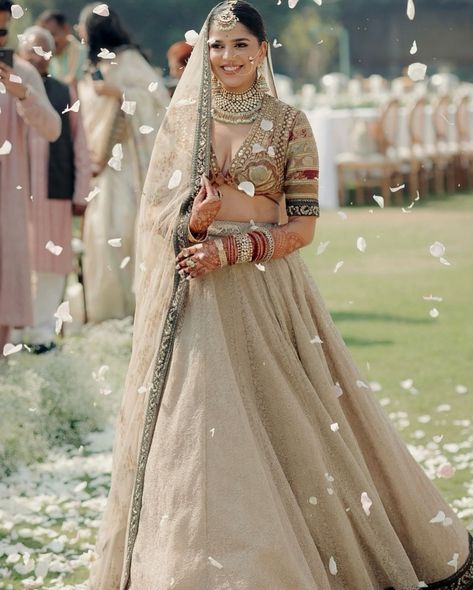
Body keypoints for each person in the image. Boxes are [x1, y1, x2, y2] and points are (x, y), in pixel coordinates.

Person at [88, 2, 473, 589]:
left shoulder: (290, 123)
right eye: (217, 46)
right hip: (195, 294)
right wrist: (195, 226)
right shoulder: (184, 120)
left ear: (263, 49)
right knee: (195, 428)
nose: (227, 57)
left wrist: (232, 249)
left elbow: (302, 228)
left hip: (267, 292)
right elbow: (157, 215)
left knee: (291, 421)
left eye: (240, 44)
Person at [77, 3, 169, 323]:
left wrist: (118, 92)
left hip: (128, 166)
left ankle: (133, 313)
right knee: (101, 238)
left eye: (82, 26)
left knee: (122, 231)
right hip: (98, 170)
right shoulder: (91, 66)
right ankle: (106, 315)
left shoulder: (129, 60)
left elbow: (158, 102)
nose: (79, 33)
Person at [12, 26, 91, 353]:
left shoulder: (63, 91)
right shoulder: (9, 87)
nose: (38, 56)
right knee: (17, 260)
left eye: (44, 50)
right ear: (20, 53)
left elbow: (80, 143)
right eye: (31, 50)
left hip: (54, 192)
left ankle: (43, 333)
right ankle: (14, 331)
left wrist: (81, 192)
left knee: (52, 262)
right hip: (17, 195)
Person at [0, 0, 61, 351]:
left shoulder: (22, 72)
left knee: (6, 291)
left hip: (7, 199)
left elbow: (53, 128)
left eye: (2, 29)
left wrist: (22, 94)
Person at [36, 9, 87, 86]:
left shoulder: (84, 54)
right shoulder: (42, 59)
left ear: (66, 29)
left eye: (52, 35)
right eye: (44, 38)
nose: (49, 42)